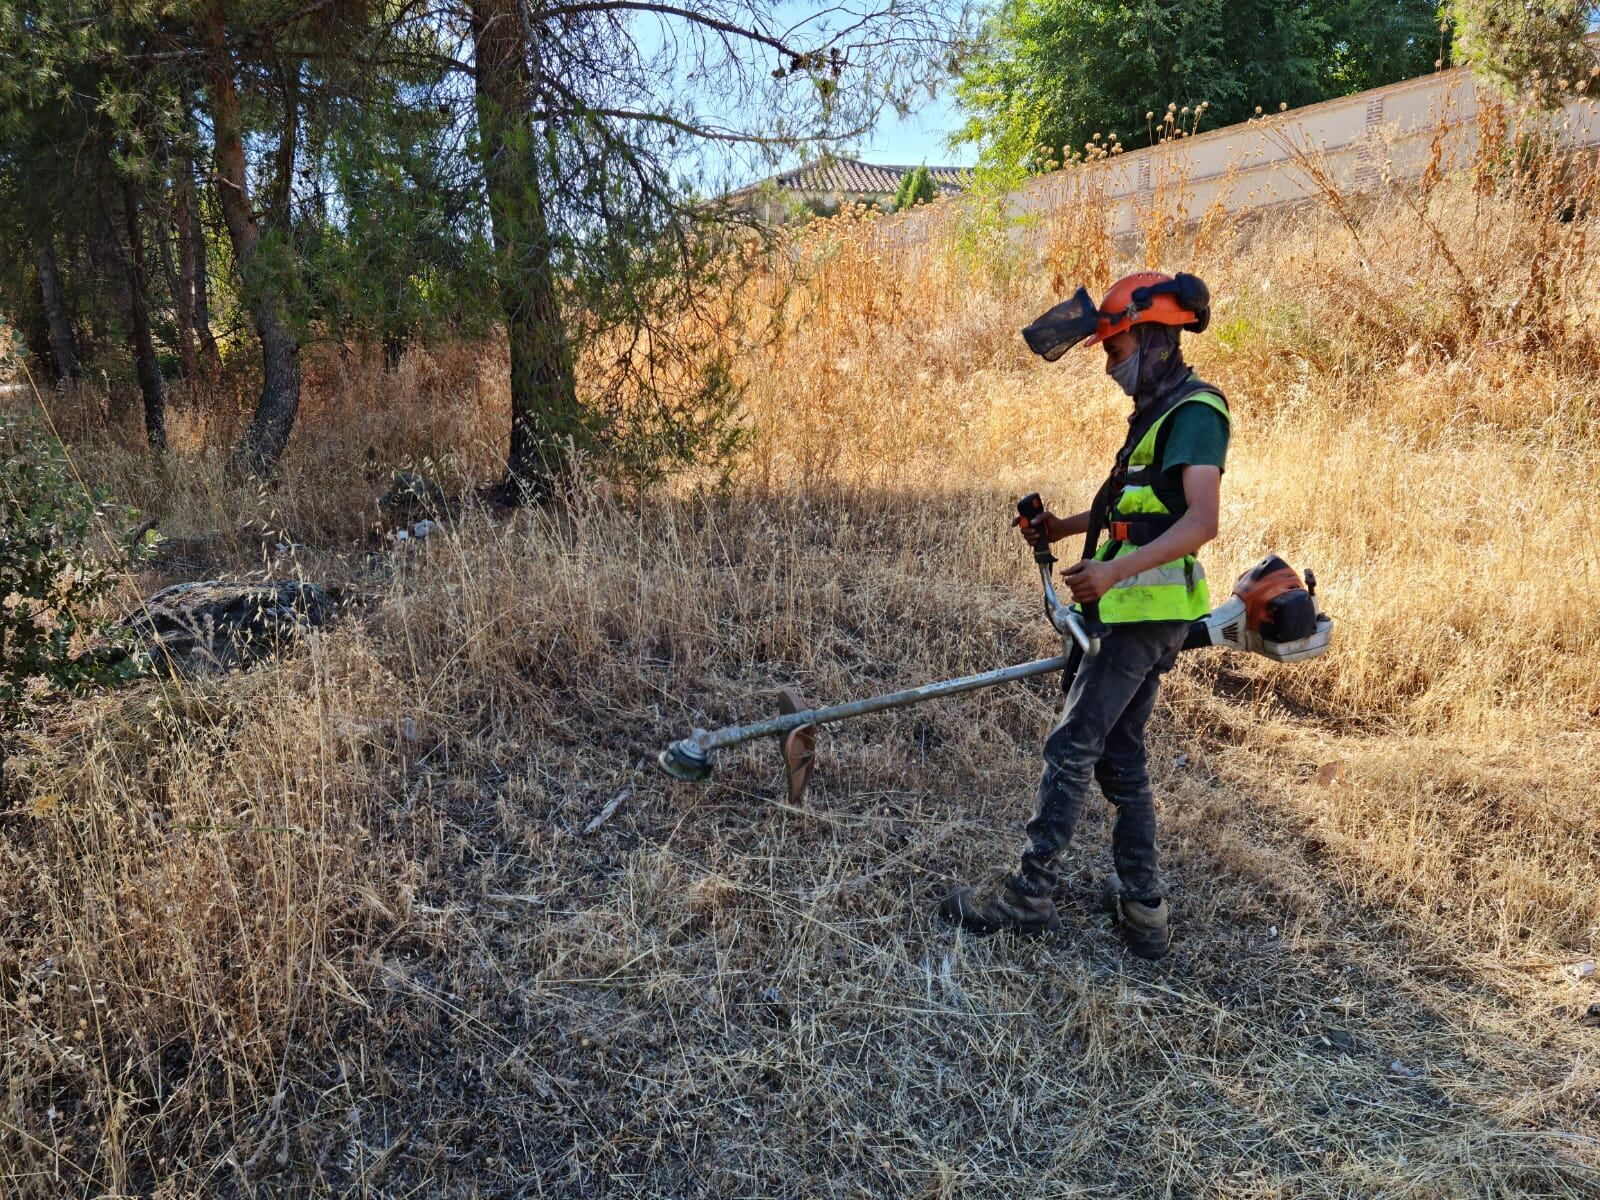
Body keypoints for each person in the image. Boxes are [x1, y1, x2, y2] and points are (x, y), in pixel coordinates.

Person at [938, 271, 1229, 960]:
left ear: (1155, 333)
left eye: (1116, 348)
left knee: (1073, 746)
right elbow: (1131, 511)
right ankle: (1143, 906)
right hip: (1130, 609)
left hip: (1140, 616)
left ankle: (1028, 895)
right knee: (1120, 758)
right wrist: (1062, 530)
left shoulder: (1195, 412)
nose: (1110, 365)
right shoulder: (1157, 414)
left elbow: (1202, 522)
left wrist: (1110, 574)